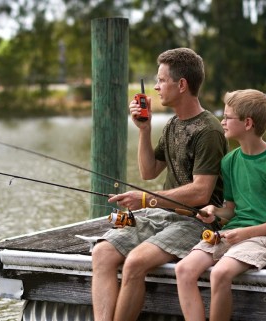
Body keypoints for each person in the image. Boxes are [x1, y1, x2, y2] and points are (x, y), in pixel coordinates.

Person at [91, 48, 228, 321]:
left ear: (182, 85)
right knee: (102, 253)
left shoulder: (208, 130)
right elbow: (149, 171)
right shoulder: (174, 124)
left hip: (197, 221)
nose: (156, 86)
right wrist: (144, 129)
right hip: (162, 215)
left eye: (161, 80)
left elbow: (201, 191)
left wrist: (145, 200)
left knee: (135, 263)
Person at [175, 89, 266, 321]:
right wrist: (214, 213)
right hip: (235, 232)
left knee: (220, 273)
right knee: (183, 270)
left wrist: (245, 233)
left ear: (248, 123)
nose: (222, 121)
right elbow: (230, 211)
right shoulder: (229, 162)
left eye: (228, 117)